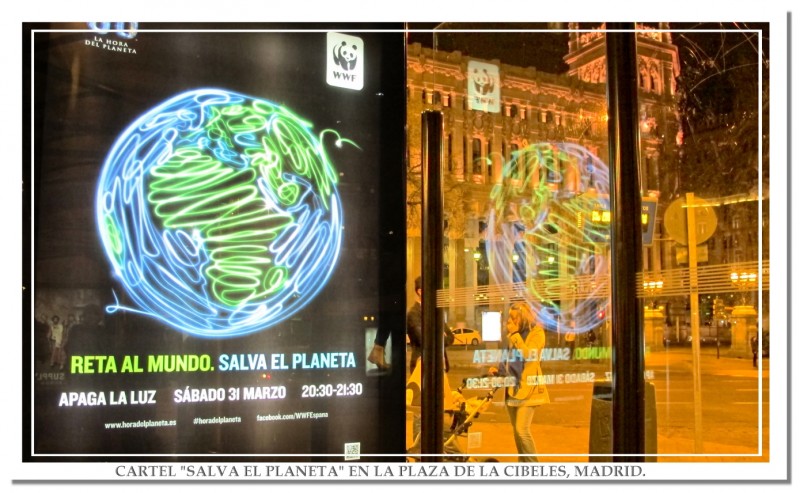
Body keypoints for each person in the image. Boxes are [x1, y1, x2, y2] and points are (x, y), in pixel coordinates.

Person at [490, 301, 550, 462]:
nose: (511, 322)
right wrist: (499, 370)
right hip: (512, 387)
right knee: (516, 432)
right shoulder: (512, 336)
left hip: (529, 387)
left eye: (515, 318)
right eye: (510, 318)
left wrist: (515, 336)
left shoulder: (536, 333)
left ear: (523, 318)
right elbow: (508, 358)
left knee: (522, 429)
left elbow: (529, 355)